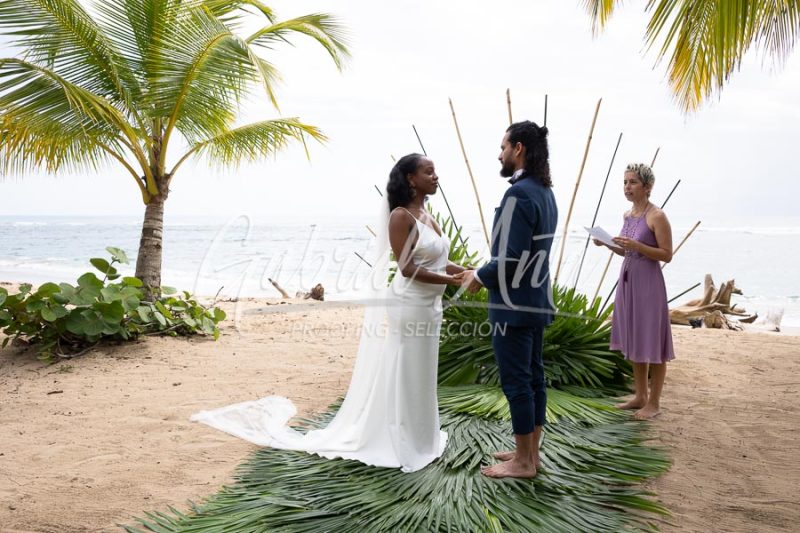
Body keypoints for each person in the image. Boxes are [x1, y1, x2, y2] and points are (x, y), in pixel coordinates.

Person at [191, 154, 465, 473]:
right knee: (407, 368)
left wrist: (467, 271)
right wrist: (453, 280)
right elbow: (406, 268)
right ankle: (400, 439)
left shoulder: (429, 216)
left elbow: (439, 262)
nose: (436, 176)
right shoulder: (401, 217)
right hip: (410, 304)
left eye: (435, 171)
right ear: (410, 179)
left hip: (430, 307)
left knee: (423, 370)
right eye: (428, 171)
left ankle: (423, 437)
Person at [459, 121, 558, 479]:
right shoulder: (545, 191)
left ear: (518, 149)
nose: (498, 154)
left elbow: (511, 257)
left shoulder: (518, 194)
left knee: (517, 382)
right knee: (534, 379)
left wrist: (478, 276)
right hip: (536, 299)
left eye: (503, 147)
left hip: (513, 305)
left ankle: (523, 462)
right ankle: (530, 452)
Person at [593, 163, 675, 420]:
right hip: (628, 280)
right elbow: (626, 249)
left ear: (647, 187)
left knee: (653, 341)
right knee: (635, 337)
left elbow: (666, 254)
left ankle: (655, 402)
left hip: (648, 283)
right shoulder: (628, 215)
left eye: (633, 182)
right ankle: (640, 395)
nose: (627, 187)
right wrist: (608, 244)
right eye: (625, 182)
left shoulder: (657, 216)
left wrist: (637, 246)